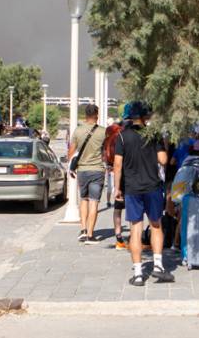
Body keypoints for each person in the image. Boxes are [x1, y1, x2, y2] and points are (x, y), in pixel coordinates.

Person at [113, 101, 170, 286]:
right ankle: (158, 266)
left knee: (135, 228)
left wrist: (117, 188)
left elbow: (117, 165)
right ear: (145, 117)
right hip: (153, 186)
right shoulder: (153, 135)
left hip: (132, 188)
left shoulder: (121, 137)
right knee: (156, 225)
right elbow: (163, 160)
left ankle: (138, 274)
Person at [68, 104, 107, 243]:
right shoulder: (103, 132)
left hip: (82, 171)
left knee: (83, 200)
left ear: (85, 115)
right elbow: (106, 153)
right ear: (97, 115)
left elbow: (71, 153)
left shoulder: (78, 131)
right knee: (94, 202)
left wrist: (71, 167)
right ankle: (91, 234)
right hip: (97, 170)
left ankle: (83, 230)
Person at [103, 104, 132, 249]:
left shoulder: (112, 136)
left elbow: (111, 160)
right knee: (133, 208)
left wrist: (116, 186)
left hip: (116, 174)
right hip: (129, 174)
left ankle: (119, 238)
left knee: (118, 207)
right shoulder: (124, 136)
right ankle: (134, 237)